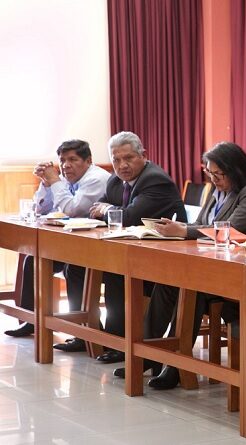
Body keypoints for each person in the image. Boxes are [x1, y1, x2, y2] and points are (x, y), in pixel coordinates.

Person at [118, 141, 246, 388]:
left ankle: (176, 364)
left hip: (244, 272)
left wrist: (183, 231)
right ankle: (148, 351)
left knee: (191, 287)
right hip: (213, 265)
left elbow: (230, 230)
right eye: (210, 173)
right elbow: (201, 224)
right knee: (168, 282)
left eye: (219, 174)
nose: (214, 179)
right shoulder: (217, 192)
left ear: (235, 169)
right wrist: (176, 228)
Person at [56, 131, 187, 361]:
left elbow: (127, 216)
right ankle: (87, 333)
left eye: (128, 158)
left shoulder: (156, 180)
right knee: (75, 266)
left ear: (143, 155)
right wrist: (109, 210)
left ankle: (118, 342)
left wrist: (108, 210)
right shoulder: (116, 180)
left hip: (164, 260)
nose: (122, 165)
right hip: (131, 251)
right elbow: (97, 209)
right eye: (116, 160)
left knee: (116, 272)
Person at [4, 139, 110, 337]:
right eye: (62, 160)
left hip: (97, 248)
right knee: (33, 261)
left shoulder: (96, 179)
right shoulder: (65, 179)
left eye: (72, 159)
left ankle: (83, 331)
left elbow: (72, 209)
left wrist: (55, 181)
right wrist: (46, 183)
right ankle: (31, 320)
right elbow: (41, 209)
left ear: (88, 161)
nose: (66, 165)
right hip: (72, 244)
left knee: (73, 267)